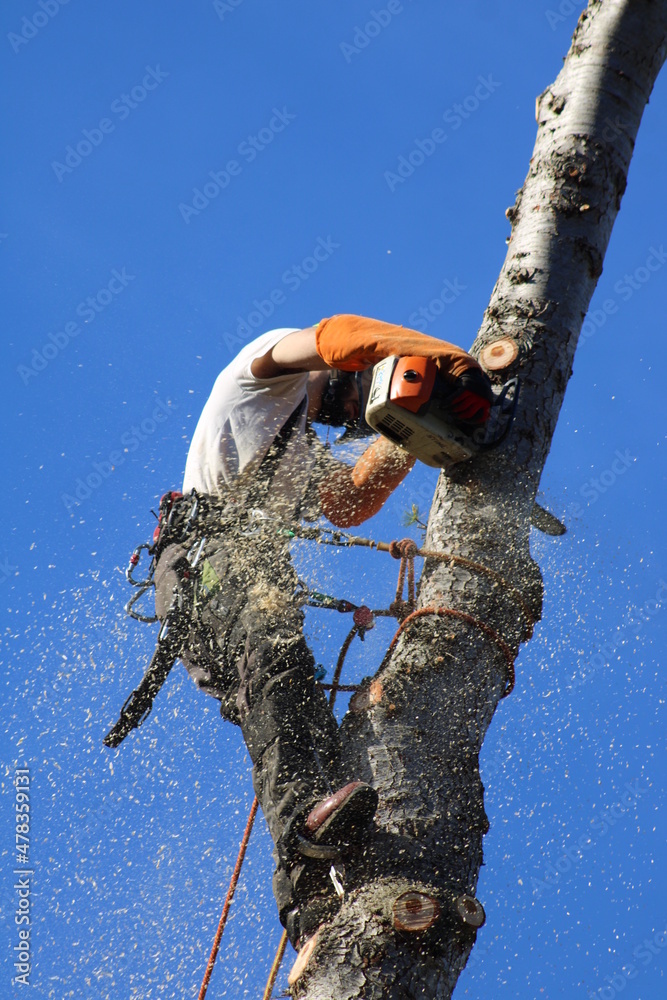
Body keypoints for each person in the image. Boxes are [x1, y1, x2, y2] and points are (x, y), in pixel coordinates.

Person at [152, 313, 493, 946]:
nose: (345, 406)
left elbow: (349, 503)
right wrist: (450, 360)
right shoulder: (260, 370)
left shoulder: (302, 446)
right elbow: (340, 333)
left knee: (295, 705)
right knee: (280, 670)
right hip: (206, 562)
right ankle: (304, 828)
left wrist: (410, 433)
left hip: (220, 593)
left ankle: (309, 904)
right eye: (352, 390)